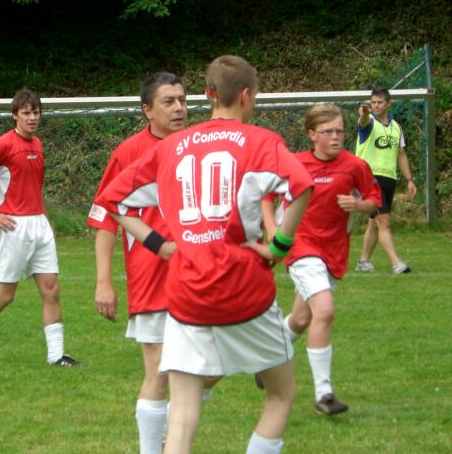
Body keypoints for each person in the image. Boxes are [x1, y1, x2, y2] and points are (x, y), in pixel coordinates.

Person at [96, 55, 313, 454]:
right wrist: (279, 247)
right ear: (246, 95)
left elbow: (114, 201)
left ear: (208, 94)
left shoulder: (171, 147)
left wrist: (161, 246)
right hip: (244, 287)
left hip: (186, 292)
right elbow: (300, 185)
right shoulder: (260, 141)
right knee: (281, 394)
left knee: (181, 414)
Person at [87, 72, 192, 454]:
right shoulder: (129, 152)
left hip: (200, 273)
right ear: (147, 110)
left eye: (182, 100)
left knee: (209, 367)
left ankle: (172, 435)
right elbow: (106, 219)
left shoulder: (198, 145)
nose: (179, 108)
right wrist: (104, 281)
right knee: (159, 370)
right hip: (151, 276)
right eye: (169, 101)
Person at [260, 104, 382, 415]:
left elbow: (374, 201)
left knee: (302, 319)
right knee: (324, 311)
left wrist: (358, 205)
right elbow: (266, 195)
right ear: (311, 134)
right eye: (328, 132)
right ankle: (323, 394)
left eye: (340, 131)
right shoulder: (295, 163)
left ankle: (267, 360)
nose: (336, 137)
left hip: (334, 251)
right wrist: (273, 229)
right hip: (300, 246)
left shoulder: (355, 165)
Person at [0, 87, 79, 367]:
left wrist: (45, 220)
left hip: (39, 225)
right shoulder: (1, 145)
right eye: (26, 113)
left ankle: (56, 355)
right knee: (6, 294)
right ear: (15, 115)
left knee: (51, 289)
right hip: (13, 227)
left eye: (36, 112)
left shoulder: (37, 144)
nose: (32, 117)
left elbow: (33, 189)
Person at [355, 88, 417, 275]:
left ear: (389, 104)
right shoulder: (369, 122)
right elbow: (363, 121)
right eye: (373, 102)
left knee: (375, 222)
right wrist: (364, 114)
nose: (376, 106)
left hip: (389, 179)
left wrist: (410, 179)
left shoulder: (396, 127)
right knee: (384, 221)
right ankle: (396, 263)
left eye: (380, 102)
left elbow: (401, 154)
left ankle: (363, 261)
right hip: (370, 178)